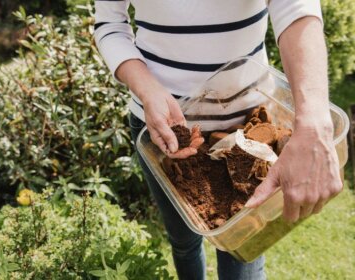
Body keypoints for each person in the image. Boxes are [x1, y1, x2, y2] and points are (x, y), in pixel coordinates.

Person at [94, 1, 343, 279]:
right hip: (163, 134)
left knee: (243, 254)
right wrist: (147, 89)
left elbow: (296, 7)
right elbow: (109, 24)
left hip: (250, 131)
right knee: (184, 241)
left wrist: (313, 125)